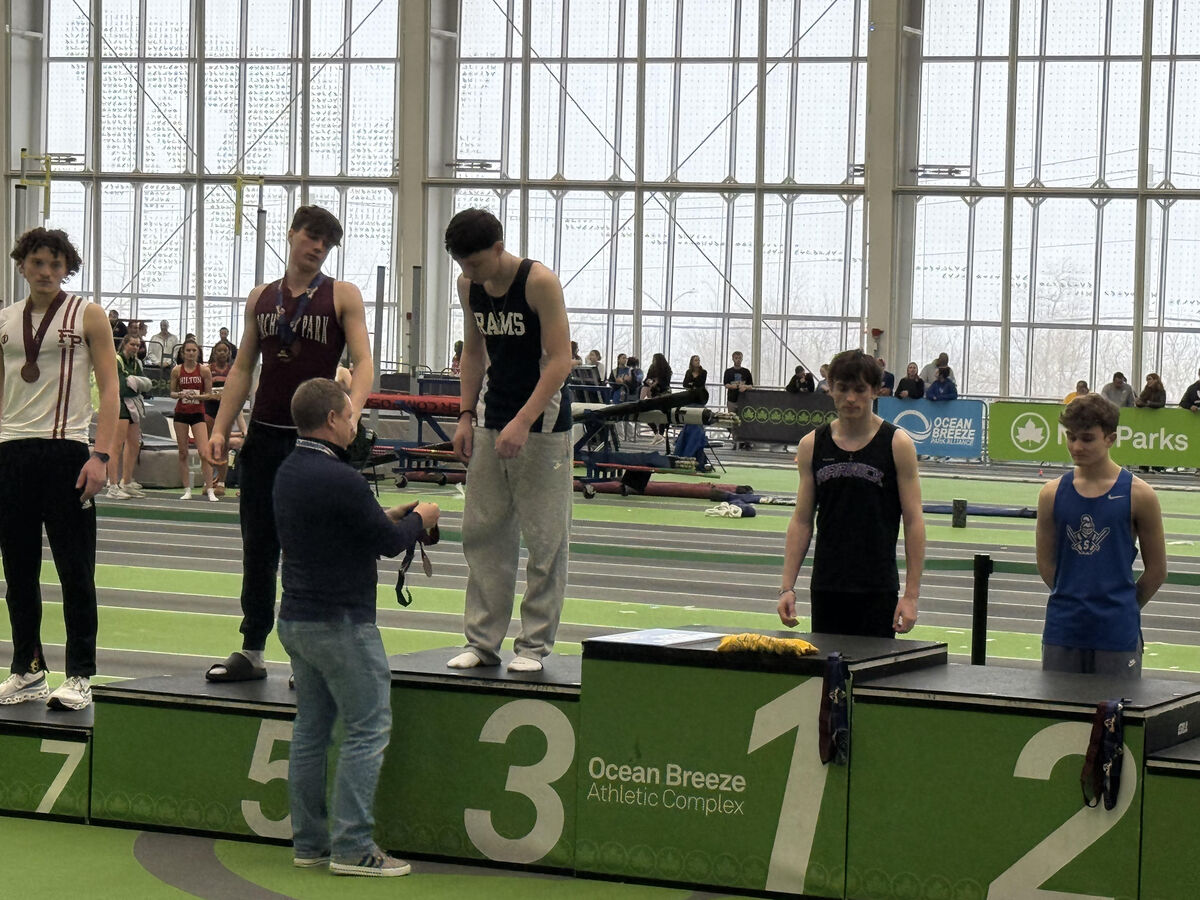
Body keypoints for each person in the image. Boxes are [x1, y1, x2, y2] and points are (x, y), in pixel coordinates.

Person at [203, 204, 374, 683]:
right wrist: (220, 427)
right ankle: (252, 648)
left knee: (316, 548)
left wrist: (353, 411)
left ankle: (312, 654)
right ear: (293, 234)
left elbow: (363, 361)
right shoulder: (260, 297)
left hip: (316, 443)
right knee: (258, 545)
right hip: (264, 436)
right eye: (312, 236)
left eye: (327, 242)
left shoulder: (342, 295)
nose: (318, 247)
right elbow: (242, 369)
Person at [274, 377, 439, 876]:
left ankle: (309, 842)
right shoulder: (341, 478)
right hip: (341, 623)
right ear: (331, 421)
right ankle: (353, 846)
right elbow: (388, 544)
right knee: (368, 729)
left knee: (310, 731)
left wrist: (387, 516)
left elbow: (349, 529)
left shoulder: (289, 471)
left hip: (296, 619)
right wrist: (421, 518)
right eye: (351, 416)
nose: (355, 425)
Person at [444, 208, 573, 674]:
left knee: (545, 540)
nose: (469, 273)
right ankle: (481, 642)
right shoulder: (469, 286)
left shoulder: (539, 282)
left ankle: (534, 646)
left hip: (543, 422)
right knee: (484, 534)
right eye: (462, 265)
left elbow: (560, 360)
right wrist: (464, 414)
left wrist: (524, 421)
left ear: (499, 248)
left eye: (476, 263)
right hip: (490, 417)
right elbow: (474, 351)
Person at [0, 227, 119, 711]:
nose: (46, 272)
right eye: (37, 264)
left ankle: (79, 674)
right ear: (22, 266)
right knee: (18, 571)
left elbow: (110, 388)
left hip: (67, 452)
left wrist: (102, 455)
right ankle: (27, 669)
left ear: (67, 267)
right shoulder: (5, 320)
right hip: (10, 452)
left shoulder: (87, 314)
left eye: (55, 264)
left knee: (76, 569)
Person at [777, 349, 925, 638]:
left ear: (875, 391)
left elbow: (913, 521)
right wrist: (787, 587)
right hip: (827, 585)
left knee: (872, 679)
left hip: (878, 586)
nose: (851, 398)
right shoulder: (812, 445)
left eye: (860, 389)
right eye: (843, 389)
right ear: (830, 389)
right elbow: (802, 520)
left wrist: (911, 595)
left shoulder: (897, 444)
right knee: (828, 677)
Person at [1035, 394, 1166, 677]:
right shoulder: (1051, 494)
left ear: (1110, 438)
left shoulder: (1140, 495)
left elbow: (1157, 570)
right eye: (1071, 437)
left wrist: (1122, 607)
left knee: (1114, 719)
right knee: (1061, 719)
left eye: (1087, 438)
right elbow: (1045, 564)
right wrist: (1074, 599)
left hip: (1117, 634)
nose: (1076, 446)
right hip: (1063, 630)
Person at [171, 338, 218, 502]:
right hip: (181, 414)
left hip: (198, 413)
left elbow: (209, 394)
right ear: (183, 353)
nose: (191, 353)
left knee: (204, 452)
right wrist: (180, 394)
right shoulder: (177, 370)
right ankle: (187, 489)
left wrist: (198, 396)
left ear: (198, 353)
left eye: (193, 351)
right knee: (183, 452)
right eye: (188, 351)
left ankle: (210, 488)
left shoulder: (204, 371)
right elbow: (171, 392)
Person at [107, 333, 153, 499]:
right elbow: (122, 387)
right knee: (116, 446)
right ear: (125, 344)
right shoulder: (117, 360)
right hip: (119, 405)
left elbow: (146, 384)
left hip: (132, 405)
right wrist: (136, 382)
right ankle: (112, 486)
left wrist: (134, 381)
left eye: (137, 345)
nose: (135, 347)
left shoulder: (136, 363)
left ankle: (126, 482)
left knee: (134, 443)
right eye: (132, 344)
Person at [205, 341, 236, 495]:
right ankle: (208, 481)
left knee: (224, 446)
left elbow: (237, 391)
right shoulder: (208, 370)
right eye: (219, 351)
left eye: (225, 351)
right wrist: (212, 395)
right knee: (209, 445)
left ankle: (222, 482)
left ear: (229, 353)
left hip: (225, 411)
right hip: (210, 409)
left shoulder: (233, 371)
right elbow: (203, 391)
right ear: (214, 353)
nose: (222, 353)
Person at [643, 353, 673, 443]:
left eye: (655, 360)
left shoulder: (666, 369)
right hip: (655, 394)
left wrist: (657, 382)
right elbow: (646, 380)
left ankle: (660, 433)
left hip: (664, 394)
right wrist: (649, 382)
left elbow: (666, 383)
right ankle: (657, 433)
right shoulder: (652, 368)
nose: (653, 362)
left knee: (662, 414)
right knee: (647, 412)